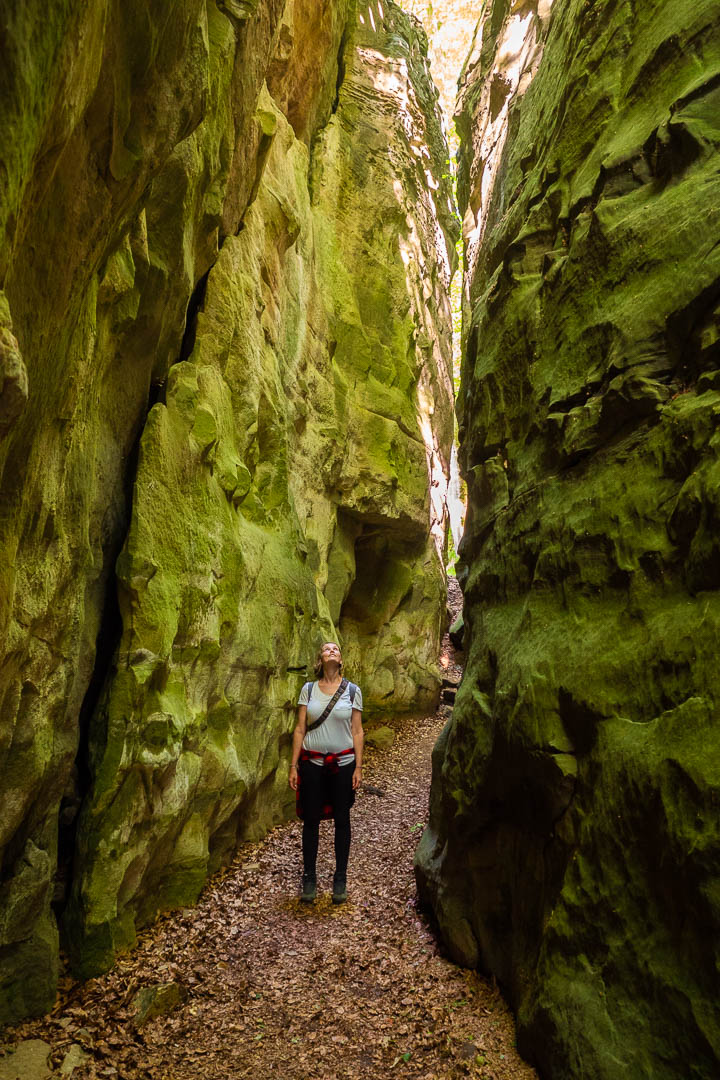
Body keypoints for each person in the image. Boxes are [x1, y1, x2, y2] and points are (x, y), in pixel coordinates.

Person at [289, 641, 364, 904]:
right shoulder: (308, 690)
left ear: (340, 659)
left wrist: (359, 766)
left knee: (342, 819)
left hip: (342, 765)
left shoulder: (352, 690)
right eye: (326, 648)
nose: (332, 650)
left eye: (336, 649)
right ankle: (309, 877)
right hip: (312, 764)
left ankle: (340, 878)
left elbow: (357, 730)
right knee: (310, 820)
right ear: (319, 659)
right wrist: (293, 765)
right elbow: (300, 729)